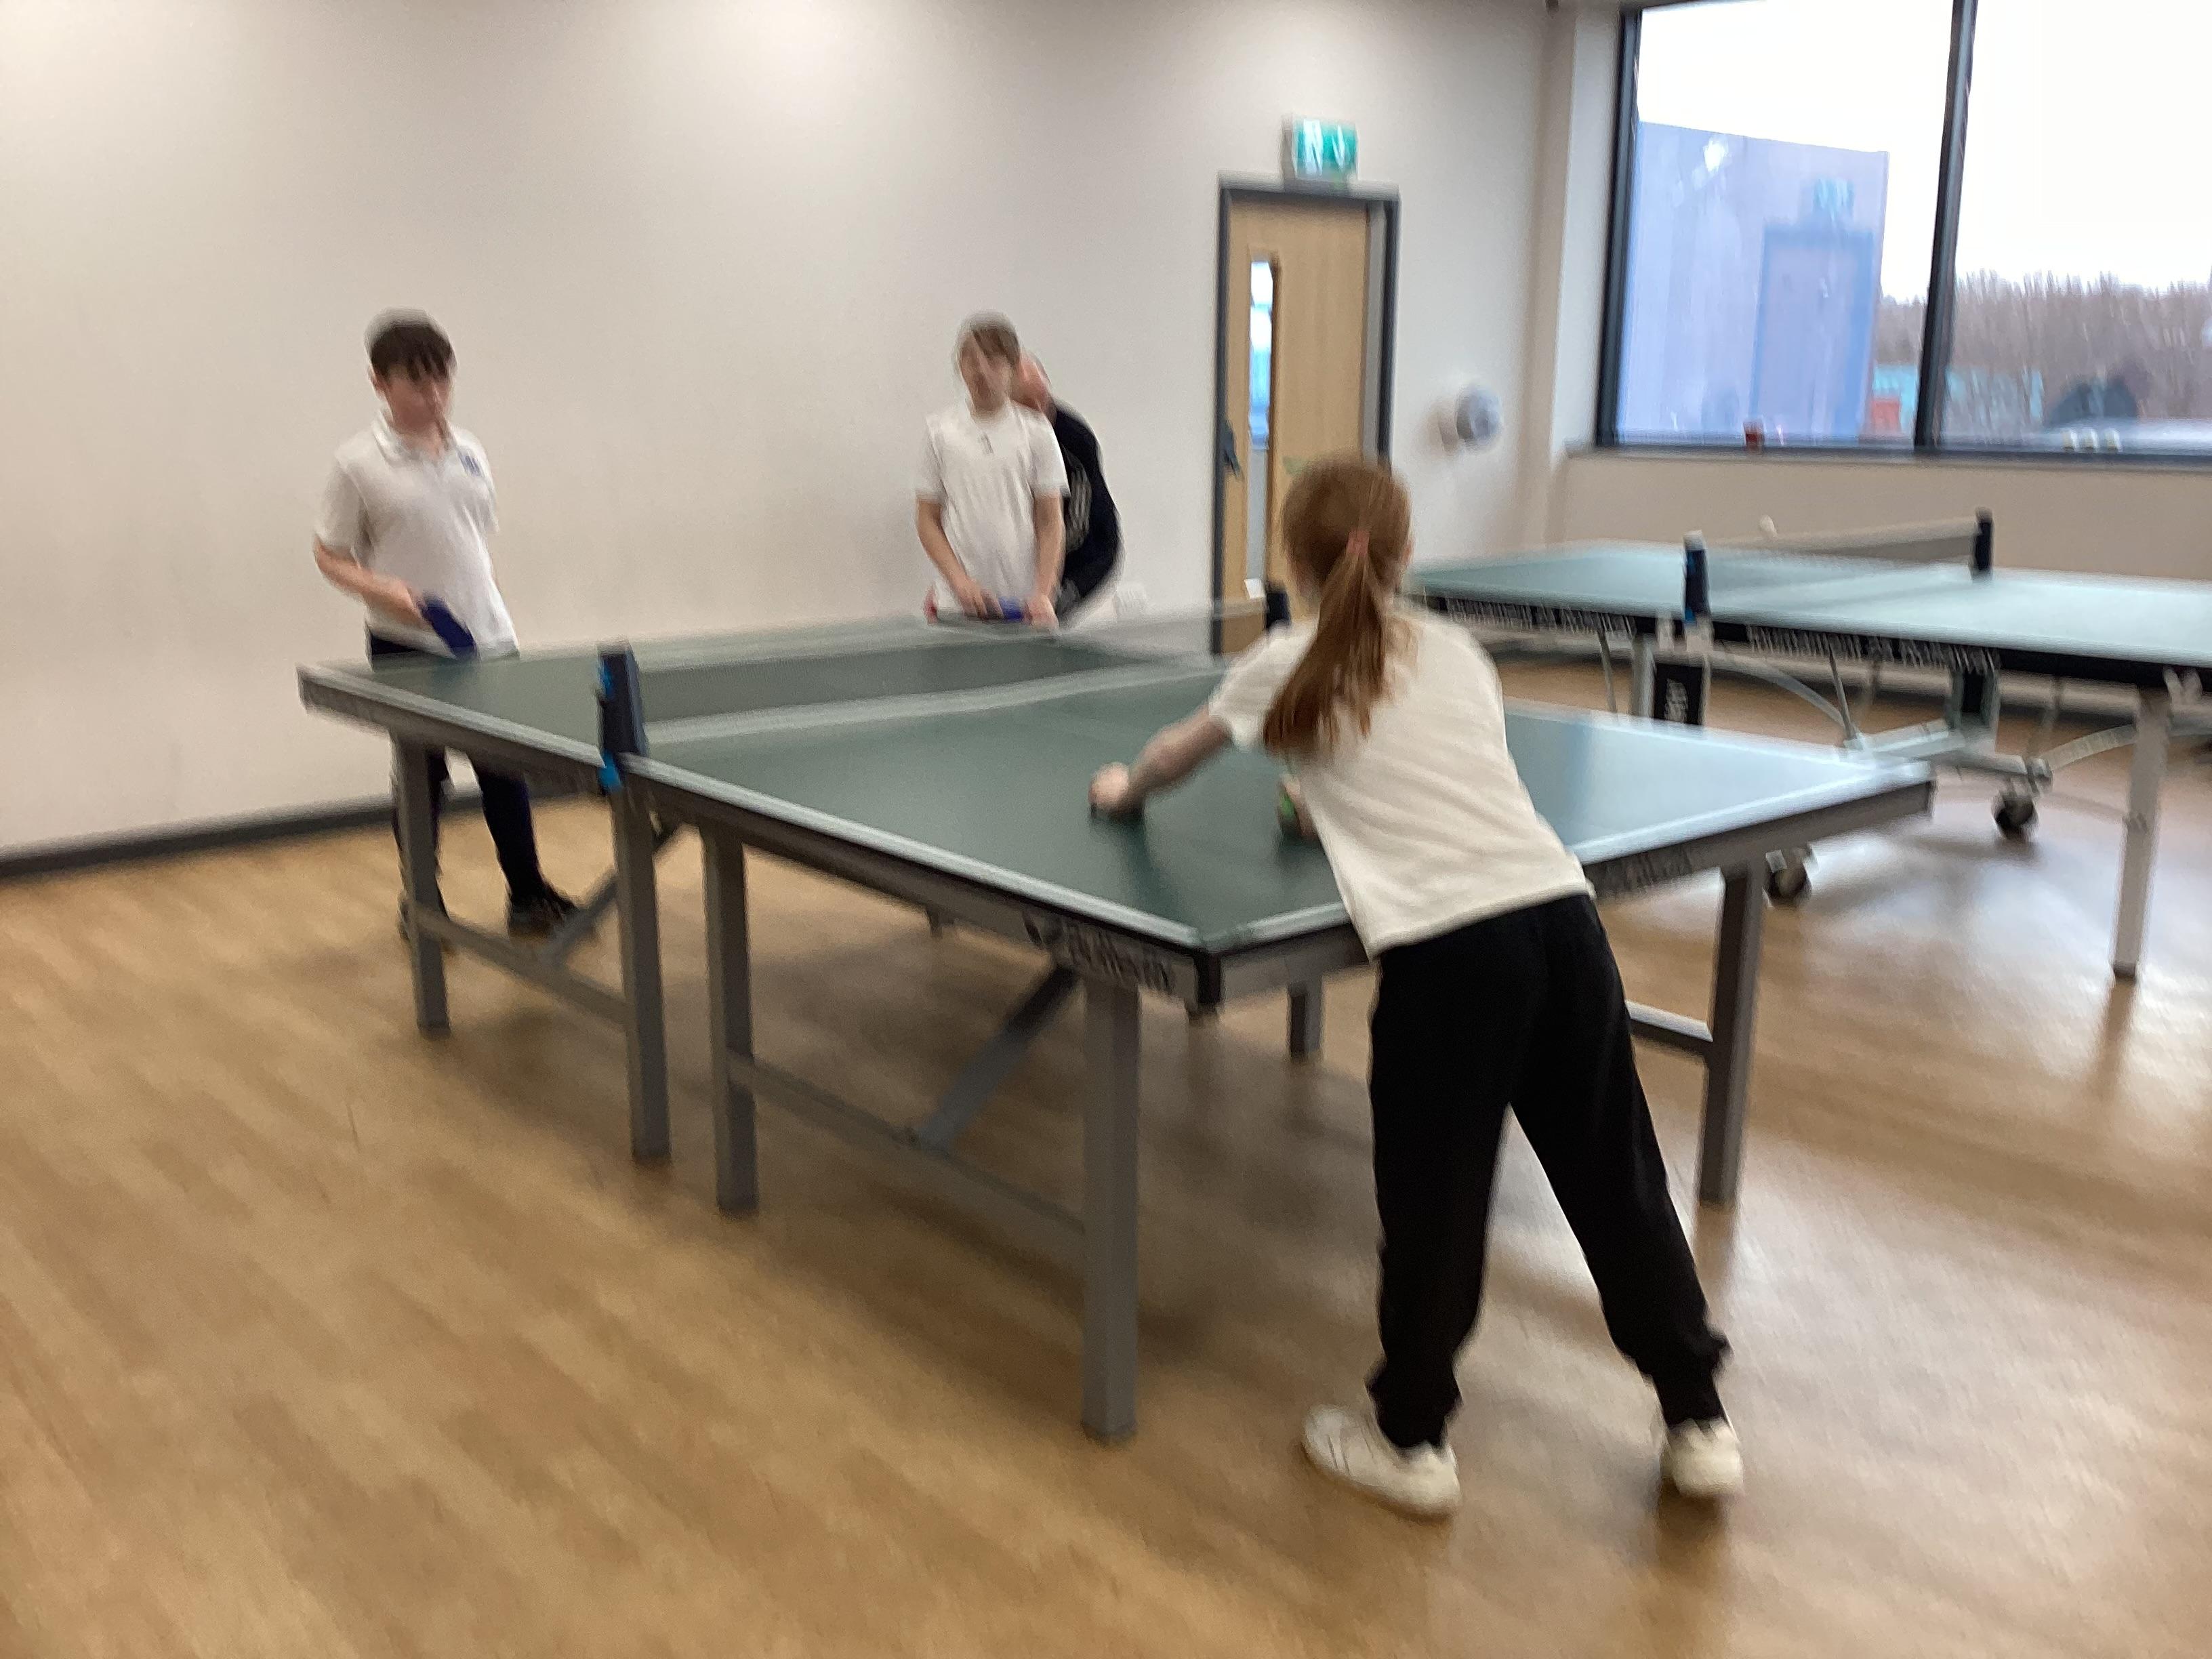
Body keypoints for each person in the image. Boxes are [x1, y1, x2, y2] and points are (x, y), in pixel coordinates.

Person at [1087, 455, 1741, 1517]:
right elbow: (1431, 771)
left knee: (1437, 1206)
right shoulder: (1458, 653)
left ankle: (1411, 1441)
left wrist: (1123, 790)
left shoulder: (1283, 661)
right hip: (1561, 926)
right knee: (1618, 1185)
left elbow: (1173, 757)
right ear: (1405, 555)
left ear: (1293, 562)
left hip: (1451, 959)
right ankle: (1698, 1415)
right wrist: (1327, 806)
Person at [312, 311, 579, 938]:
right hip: (407, 644)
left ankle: (527, 894)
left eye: (442, 381)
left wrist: (484, 605)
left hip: (487, 639)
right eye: (417, 383)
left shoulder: (471, 451)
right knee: (422, 776)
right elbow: (329, 555)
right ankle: (422, 900)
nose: (433, 396)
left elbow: (470, 541)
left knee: (503, 767)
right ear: (380, 383)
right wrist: (385, 590)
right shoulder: (358, 464)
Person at [915, 316, 1067, 627]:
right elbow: (927, 519)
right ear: (960, 367)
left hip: (1022, 607)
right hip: (957, 607)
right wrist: (960, 583)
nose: (981, 371)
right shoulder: (939, 432)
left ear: (1012, 368)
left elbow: (1050, 521)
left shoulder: (1037, 433)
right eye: (971, 361)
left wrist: (1043, 593)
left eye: (993, 361)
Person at [1012, 355, 1121, 620]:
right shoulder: (998, 437)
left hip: (1087, 554)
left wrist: (1045, 586)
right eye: (1028, 405)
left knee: (1040, 619)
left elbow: (1075, 526)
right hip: (1029, 558)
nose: (1040, 412)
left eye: (1043, 400)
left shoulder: (1075, 440)